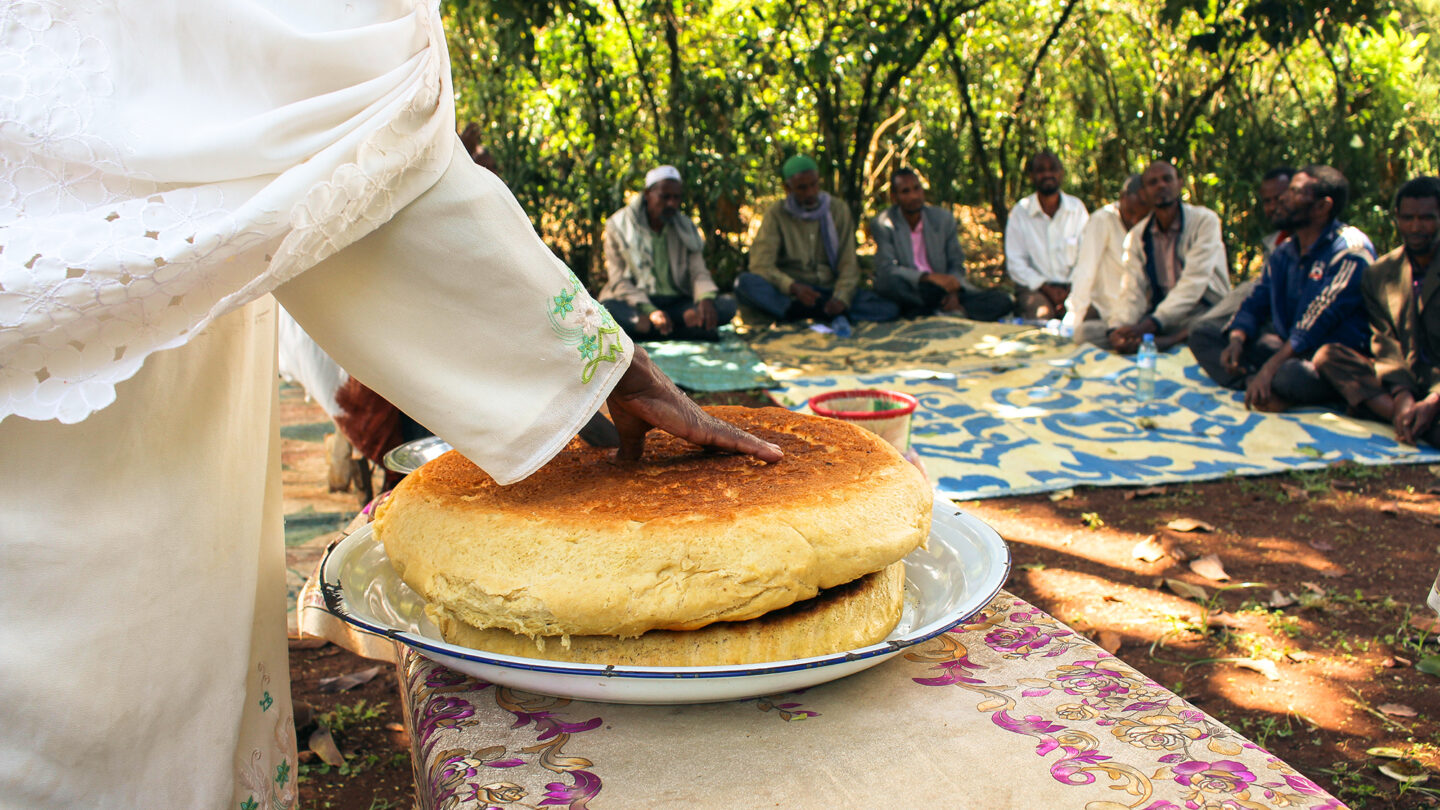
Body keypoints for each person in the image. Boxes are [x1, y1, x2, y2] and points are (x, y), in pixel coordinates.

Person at [0, 4, 780, 807]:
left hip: (143, 355)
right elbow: (354, 154)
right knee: (104, 724)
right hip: (93, 434)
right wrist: (615, 370)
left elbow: (262, 192)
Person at [1189, 165, 1374, 411]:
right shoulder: (1285, 250)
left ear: (1322, 207)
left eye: (1294, 193)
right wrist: (1236, 338)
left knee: (1289, 375)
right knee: (1204, 335)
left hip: (1325, 361)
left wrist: (1270, 368)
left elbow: (1315, 323)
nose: (1282, 200)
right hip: (1286, 348)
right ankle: (1256, 384)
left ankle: (1282, 388)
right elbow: (1256, 301)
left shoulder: (1350, 250)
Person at [1314, 176, 1440, 445]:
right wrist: (1403, 395)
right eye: (1408, 218)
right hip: (1407, 378)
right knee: (1330, 356)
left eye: (1426, 218)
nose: (1416, 227)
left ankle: (1408, 418)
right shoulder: (1381, 273)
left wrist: (1434, 400)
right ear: (1396, 218)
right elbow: (1385, 342)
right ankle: (1406, 417)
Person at [736, 155, 899, 324]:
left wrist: (841, 298)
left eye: (813, 185)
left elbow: (848, 263)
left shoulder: (837, 209)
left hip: (828, 291)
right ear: (788, 188)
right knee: (746, 283)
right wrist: (792, 286)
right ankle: (804, 313)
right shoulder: (776, 214)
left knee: (888, 308)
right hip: (792, 293)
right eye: (802, 188)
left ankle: (815, 314)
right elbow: (760, 264)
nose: (810, 193)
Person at [1101, 160, 1232, 354]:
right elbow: (1132, 291)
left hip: (1202, 312)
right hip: (1160, 317)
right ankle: (1160, 340)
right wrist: (1118, 328)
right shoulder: (1138, 236)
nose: (1161, 186)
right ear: (1144, 193)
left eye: (1167, 179)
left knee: (1209, 324)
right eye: (1153, 183)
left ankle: (1169, 341)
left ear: (1179, 184)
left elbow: (1194, 283)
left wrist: (1151, 325)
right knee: (1087, 333)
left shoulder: (1205, 221)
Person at [599, 165, 737, 341]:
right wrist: (651, 311)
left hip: (676, 302)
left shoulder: (685, 226)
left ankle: (649, 331)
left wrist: (705, 299)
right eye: (665, 197)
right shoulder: (618, 225)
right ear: (648, 194)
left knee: (726, 306)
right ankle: (686, 329)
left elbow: (698, 271)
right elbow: (618, 280)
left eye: (676, 197)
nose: (672, 203)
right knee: (608, 310)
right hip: (637, 303)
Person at [869, 168, 1013, 320]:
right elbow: (887, 268)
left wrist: (953, 292)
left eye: (917, 189)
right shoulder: (884, 223)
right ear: (894, 197)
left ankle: (949, 311)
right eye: (905, 191)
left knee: (1002, 300)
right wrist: (927, 277)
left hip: (943, 289)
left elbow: (956, 263)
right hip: (913, 288)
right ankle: (939, 312)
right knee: (889, 284)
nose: (914, 196)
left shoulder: (942, 219)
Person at [1004, 150, 1089, 320]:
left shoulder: (1076, 209)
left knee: (1084, 317)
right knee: (1042, 315)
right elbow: (1016, 263)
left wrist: (1070, 291)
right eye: (1041, 170)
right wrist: (1045, 288)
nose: (1047, 174)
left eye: (1053, 169)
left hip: (1074, 287)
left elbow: (1087, 257)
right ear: (1032, 176)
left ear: (1061, 173)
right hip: (1034, 289)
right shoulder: (1021, 212)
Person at [1067, 173, 1152, 345]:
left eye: (1141, 216)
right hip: (1111, 314)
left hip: (1143, 316)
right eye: (1131, 212)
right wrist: (1074, 316)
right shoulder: (1102, 220)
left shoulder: (1153, 225)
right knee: (1084, 334)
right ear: (1122, 198)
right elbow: (1086, 270)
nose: (1135, 220)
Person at [1258, 166, 1297, 260]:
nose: (1272, 207)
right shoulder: (1272, 245)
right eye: (1267, 201)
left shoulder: (1324, 243)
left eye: (1279, 199)